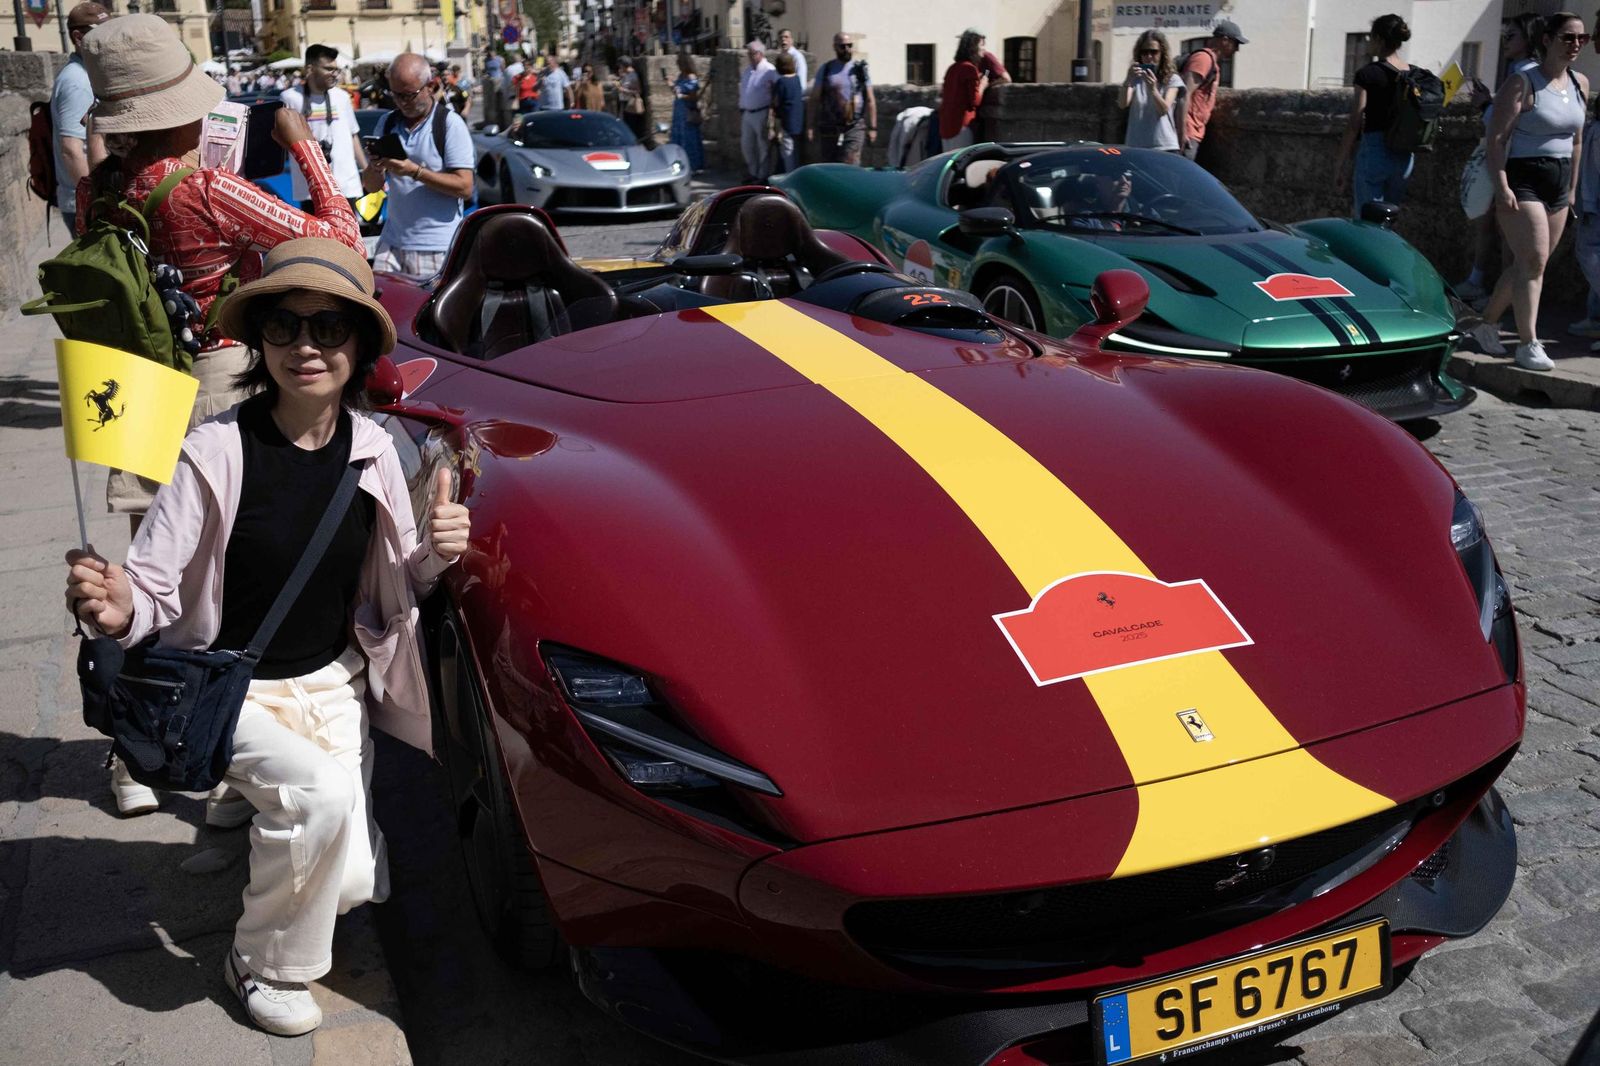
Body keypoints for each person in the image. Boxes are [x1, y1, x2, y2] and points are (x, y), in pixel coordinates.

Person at [63, 236, 472, 1037]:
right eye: (283, 327)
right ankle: (260, 962)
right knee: (315, 802)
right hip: (229, 686)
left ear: (358, 345)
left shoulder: (374, 449)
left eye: (328, 328)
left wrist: (437, 550)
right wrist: (116, 609)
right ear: (260, 342)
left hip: (334, 683)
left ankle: (280, 840)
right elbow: (149, 587)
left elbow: (399, 581)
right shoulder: (215, 449)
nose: (306, 347)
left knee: (352, 878)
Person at [77, 14, 365, 819]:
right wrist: (304, 143)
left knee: (142, 577)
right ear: (178, 109)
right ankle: (231, 759)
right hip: (211, 375)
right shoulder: (205, 183)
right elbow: (335, 241)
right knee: (220, 575)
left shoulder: (98, 187)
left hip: (126, 379)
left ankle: (131, 755)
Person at [1471, 11, 1589, 371]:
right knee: (1534, 262)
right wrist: (1502, 183)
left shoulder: (1579, 83)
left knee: (1529, 264)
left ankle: (1485, 324)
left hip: (1559, 178)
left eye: (1581, 39)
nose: (1575, 45)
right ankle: (1528, 344)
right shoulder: (1523, 83)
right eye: (1568, 38)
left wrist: (1571, 190)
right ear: (1547, 40)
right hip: (1523, 178)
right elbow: (1496, 138)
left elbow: (1577, 141)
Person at [361, 53, 475, 280]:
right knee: (382, 310)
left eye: (409, 95)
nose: (402, 102)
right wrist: (375, 167)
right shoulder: (387, 122)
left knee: (425, 314)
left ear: (430, 86)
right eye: (396, 95)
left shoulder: (449, 125)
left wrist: (414, 171)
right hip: (392, 242)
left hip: (436, 246)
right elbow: (371, 187)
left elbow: (465, 186)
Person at [1459, 15, 1543, 304]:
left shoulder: (1524, 75)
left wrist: (1484, 105)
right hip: (1508, 160)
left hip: (1513, 162)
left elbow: (1502, 125)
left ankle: (1502, 296)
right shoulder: (1522, 71)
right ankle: (1481, 283)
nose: (1505, 41)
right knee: (1493, 223)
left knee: (1509, 231)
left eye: (1512, 36)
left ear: (1529, 40)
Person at [1333, 15, 1418, 215]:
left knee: (1367, 220)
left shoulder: (1368, 74)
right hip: (1405, 155)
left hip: (1375, 150)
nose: (1368, 42)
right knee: (1389, 218)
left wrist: (1340, 163)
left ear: (1379, 39)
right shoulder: (1414, 74)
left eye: (1371, 37)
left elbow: (1355, 123)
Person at [280, 45, 367, 214]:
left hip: (345, 185)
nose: (335, 73)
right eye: (328, 69)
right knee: (319, 240)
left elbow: (353, 135)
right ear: (310, 69)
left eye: (336, 69)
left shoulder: (342, 97)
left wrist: (365, 170)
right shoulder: (290, 98)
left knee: (347, 238)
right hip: (310, 188)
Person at [50, 3, 110, 238]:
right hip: (84, 207)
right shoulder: (78, 81)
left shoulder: (85, 74)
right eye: (101, 34)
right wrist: (95, 205)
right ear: (78, 37)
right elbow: (71, 150)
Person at [1177, 18, 1246, 161]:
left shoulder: (1211, 61)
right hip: (1188, 132)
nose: (1236, 49)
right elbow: (1184, 94)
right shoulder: (1204, 59)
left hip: (1194, 131)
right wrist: (1182, 132)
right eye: (1235, 44)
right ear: (1225, 40)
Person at [808, 32, 876, 165]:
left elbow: (870, 99)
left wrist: (873, 127)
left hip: (854, 125)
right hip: (829, 126)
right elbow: (814, 99)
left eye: (849, 45)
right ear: (835, 47)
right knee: (829, 165)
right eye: (842, 46)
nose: (847, 49)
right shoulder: (826, 69)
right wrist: (809, 126)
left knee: (851, 164)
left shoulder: (859, 69)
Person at [1120, 29, 1183, 151]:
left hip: (1164, 145)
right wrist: (1128, 80)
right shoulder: (1135, 78)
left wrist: (1153, 90)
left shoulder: (1172, 79)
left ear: (1161, 54)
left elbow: (1164, 110)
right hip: (1137, 144)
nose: (1149, 57)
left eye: (1154, 52)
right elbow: (1123, 104)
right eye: (1144, 52)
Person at [939, 30, 989, 152]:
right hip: (961, 126)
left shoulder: (952, 68)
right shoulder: (969, 69)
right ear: (973, 48)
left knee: (948, 165)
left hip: (946, 127)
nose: (984, 49)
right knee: (961, 165)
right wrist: (982, 84)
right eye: (981, 45)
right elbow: (975, 101)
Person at [737, 41, 778, 182]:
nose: (749, 56)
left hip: (762, 111)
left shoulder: (769, 70)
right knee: (747, 145)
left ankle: (762, 175)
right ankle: (753, 172)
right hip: (747, 113)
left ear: (760, 53)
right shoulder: (748, 70)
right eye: (748, 53)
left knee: (763, 146)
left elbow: (777, 90)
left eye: (752, 53)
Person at [770, 50, 805, 174]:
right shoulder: (797, 80)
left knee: (788, 156)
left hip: (787, 123)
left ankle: (791, 183)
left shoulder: (781, 82)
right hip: (798, 122)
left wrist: (776, 128)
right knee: (796, 154)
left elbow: (777, 105)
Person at [669, 53, 705, 171]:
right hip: (679, 113)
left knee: (689, 139)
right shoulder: (681, 76)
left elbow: (694, 96)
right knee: (678, 138)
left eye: (679, 62)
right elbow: (677, 91)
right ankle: (680, 164)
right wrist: (671, 86)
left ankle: (693, 165)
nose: (677, 64)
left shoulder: (691, 77)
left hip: (687, 112)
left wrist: (681, 96)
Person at [616, 56, 648, 140]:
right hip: (625, 103)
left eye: (620, 66)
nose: (620, 68)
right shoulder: (627, 75)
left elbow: (638, 91)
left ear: (624, 65)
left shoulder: (633, 76)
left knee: (630, 126)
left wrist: (622, 90)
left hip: (630, 104)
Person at [775, 27, 807, 91]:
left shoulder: (797, 57)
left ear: (792, 40)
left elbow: (801, 81)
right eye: (781, 37)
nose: (783, 39)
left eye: (786, 37)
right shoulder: (779, 57)